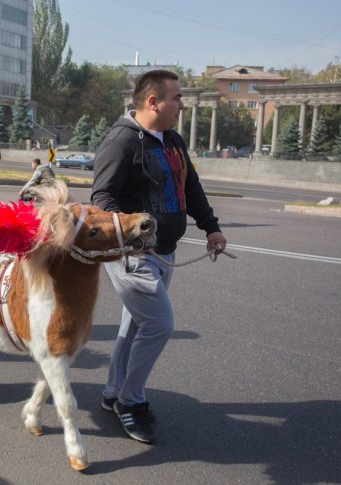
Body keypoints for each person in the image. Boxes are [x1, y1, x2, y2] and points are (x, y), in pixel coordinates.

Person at [90, 69, 227, 444]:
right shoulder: (121, 142)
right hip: (135, 254)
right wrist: (129, 238)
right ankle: (130, 402)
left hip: (166, 251)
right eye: (176, 98)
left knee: (134, 326)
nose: (181, 104)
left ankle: (112, 392)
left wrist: (210, 226)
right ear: (153, 102)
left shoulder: (171, 139)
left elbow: (191, 185)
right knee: (160, 325)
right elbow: (101, 199)